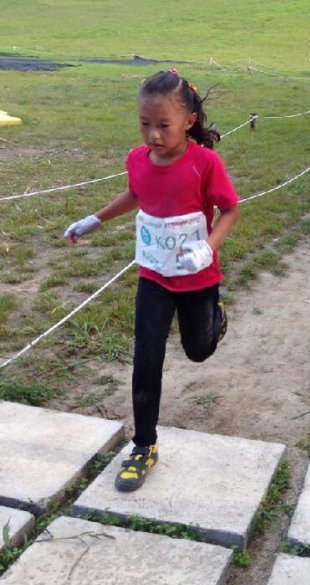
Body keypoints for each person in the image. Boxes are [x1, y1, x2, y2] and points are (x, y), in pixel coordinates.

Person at [64, 69, 239, 492]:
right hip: (154, 277)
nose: (153, 136)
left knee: (198, 350)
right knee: (146, 361)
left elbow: (231, 210)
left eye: (163, 125)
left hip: (197, 279)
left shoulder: (204, 163)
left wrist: (208, 247)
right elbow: (137, 193)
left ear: (189, 121)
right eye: (145, 125)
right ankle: (144, 445)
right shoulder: (137, 159)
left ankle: (215, 320)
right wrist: (96, 219)